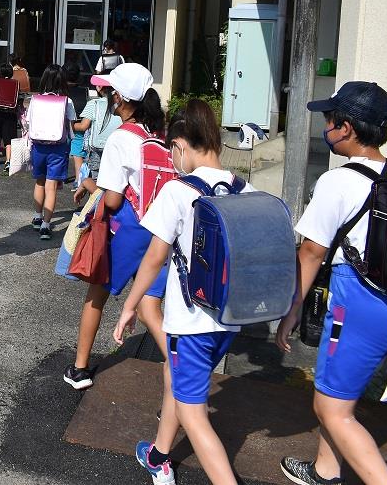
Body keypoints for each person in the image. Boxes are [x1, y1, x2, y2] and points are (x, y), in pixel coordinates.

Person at [275, 81, 387, 485]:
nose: (325, 126)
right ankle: (326, 469)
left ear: (346, 127)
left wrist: (291, 310)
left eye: (329, 119)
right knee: (337, 388)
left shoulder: (336, 182)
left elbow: (310, 252)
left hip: (357, 306)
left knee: (332, 409)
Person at [114, 99, 252, 485]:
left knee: (194, 414)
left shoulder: (178, 191)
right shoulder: (244, 189)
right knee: (175, 378)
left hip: (190, 321)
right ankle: (159, 454)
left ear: (179, 145)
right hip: (229, 319)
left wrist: (129, 307)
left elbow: (153, 259)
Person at [65, 62, 168, 389]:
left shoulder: (122, 138)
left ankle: (80, 369)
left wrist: (90, 184)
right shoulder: (158, 134)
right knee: (150, 305)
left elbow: (111, 200)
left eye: (110, 91)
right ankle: (186, 374)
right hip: (160, 227)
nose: (107, 95)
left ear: (120, 98)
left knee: (98, 291)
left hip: (128, 225)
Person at [25, 64, 77, 240]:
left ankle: (38, 217)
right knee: (51, 186)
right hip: (58, 147)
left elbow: (27, 121)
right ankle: (46, 226)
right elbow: (71, 125)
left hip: (38, 146)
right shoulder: (66, 101)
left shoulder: (35, 99)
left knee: (39, 182)